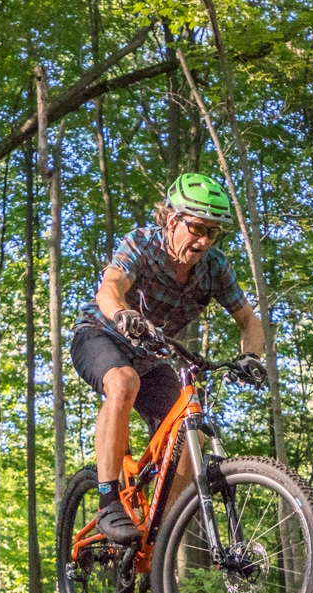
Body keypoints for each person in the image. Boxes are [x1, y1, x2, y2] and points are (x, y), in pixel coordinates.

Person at [70, 172, 267, 544]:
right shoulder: (142, 244)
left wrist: (251, 357)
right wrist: (122, 314)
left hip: (151, 356)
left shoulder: (215, 267)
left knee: (187, 438)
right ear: (172, 219)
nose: (203, 240)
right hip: (100, 334)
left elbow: (249, 321)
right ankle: (108, 501)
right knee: (123, 382)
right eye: (197, 228)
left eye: (213, 232)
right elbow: (110, 288)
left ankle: (162, 537)